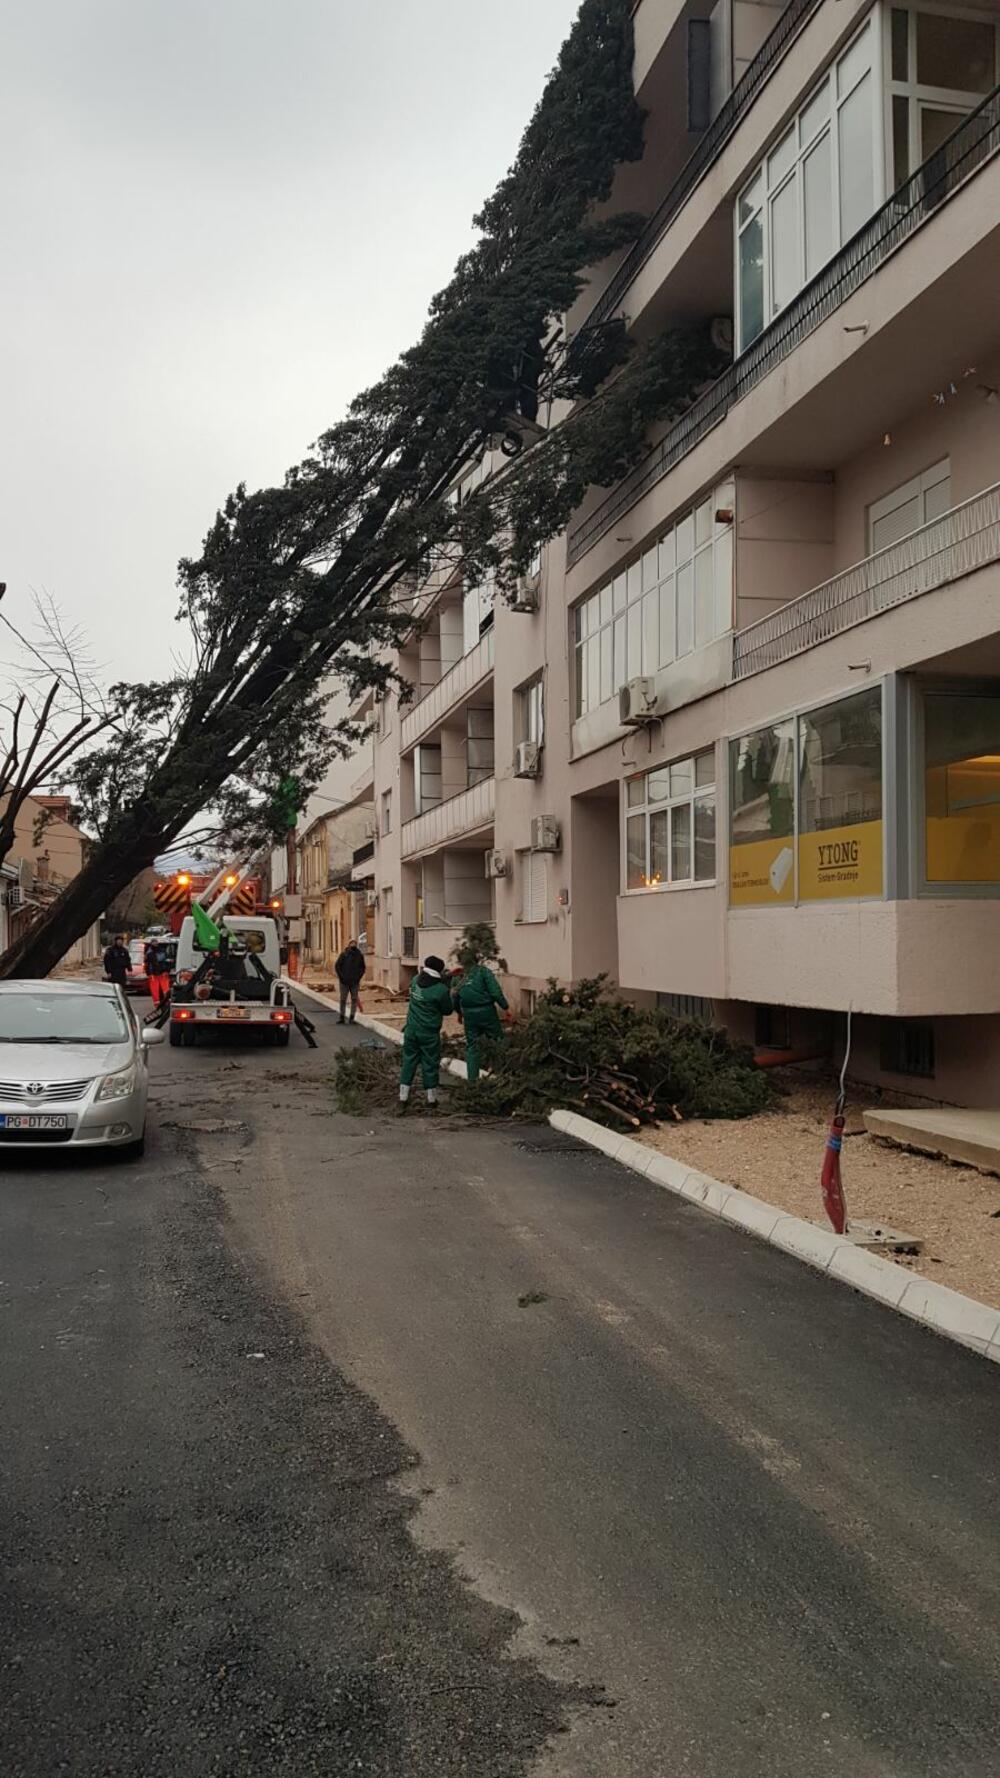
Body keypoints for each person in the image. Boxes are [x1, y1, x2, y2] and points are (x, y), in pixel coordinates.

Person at [398, 955, 452, 1115]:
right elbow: (447, 1009)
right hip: (428, 1034)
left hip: (411, 1030)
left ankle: (402, 1098)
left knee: (408, 1062)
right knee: (429, 1064)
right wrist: (449, 987)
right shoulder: (440, 990)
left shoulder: (415, 981)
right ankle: (431, 1099)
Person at [452, 956, 509, 1083]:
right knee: (497, 1040)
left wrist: (459, 1014)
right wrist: (505, 1007)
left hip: (469, 1015)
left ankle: (473, 1081)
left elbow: (455, 999)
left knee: (472, 1045)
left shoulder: (459, 976)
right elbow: (495, 993)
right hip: (487, 1012)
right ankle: (499, 1074)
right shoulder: (484, 972)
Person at [334, 937, 366, 1024]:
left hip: (354, 982)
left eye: (354, 943)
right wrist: (341, 977)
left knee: (354, 999)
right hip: (344, 982)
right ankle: (342, 1017)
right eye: (351, 943)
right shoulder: (344, 954)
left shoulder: (359, 955)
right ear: (349, 945)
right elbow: (337, 966)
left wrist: (358, 977)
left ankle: (352, 1017)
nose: (353, 945)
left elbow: (363, 968)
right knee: (343, 999)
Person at [144, 935, 174, 1007]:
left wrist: (167, 970)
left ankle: (167, 1001)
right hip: (153, 974)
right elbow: (147, 964)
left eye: (156, 943)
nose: (155, 944)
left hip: (162, 972)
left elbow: (167, 962)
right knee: (155, 990)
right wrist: (149, 973)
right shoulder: (149, 953)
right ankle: (157, 1003)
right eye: (154, 943)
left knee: (165, 989)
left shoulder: (162, 951)